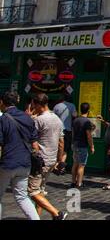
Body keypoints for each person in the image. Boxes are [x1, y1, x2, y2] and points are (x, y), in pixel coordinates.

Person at [0, 91, 40, 220]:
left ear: (2, 102)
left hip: (7, 163)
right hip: (25, 163)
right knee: (22, 196)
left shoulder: (3, 119)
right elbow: (35, 144)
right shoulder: (27, 118)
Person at [28, 93, 67, 220]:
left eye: (34, 105)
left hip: (39, 161)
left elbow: (31, 139)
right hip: (51, 160)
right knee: (40, 191)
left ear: (39, 104)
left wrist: (29, 117)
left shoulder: (38, 120)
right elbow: (61, 143)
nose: (33, 108)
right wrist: (59, 160)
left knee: (33, 191)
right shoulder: (57, 119)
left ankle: (56, 213)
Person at [71, 103, 95, 189]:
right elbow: (88, 135)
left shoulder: (76, 120)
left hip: (75, 144)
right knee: (81, 165)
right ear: (88, 111)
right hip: (82, 145)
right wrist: (92, 146)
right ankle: (79, 184)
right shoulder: (87, 121)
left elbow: (73, 133)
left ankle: (73, 182)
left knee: (75, 163)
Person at [53, 94, 77, 174]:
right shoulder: (72, 105)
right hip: (67, 130)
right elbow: (75, 115)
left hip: (57, 130)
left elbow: (53, 117)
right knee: (65, 149)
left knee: (57, 147)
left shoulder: (56, 106)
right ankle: (62, 167)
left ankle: (56, 165)